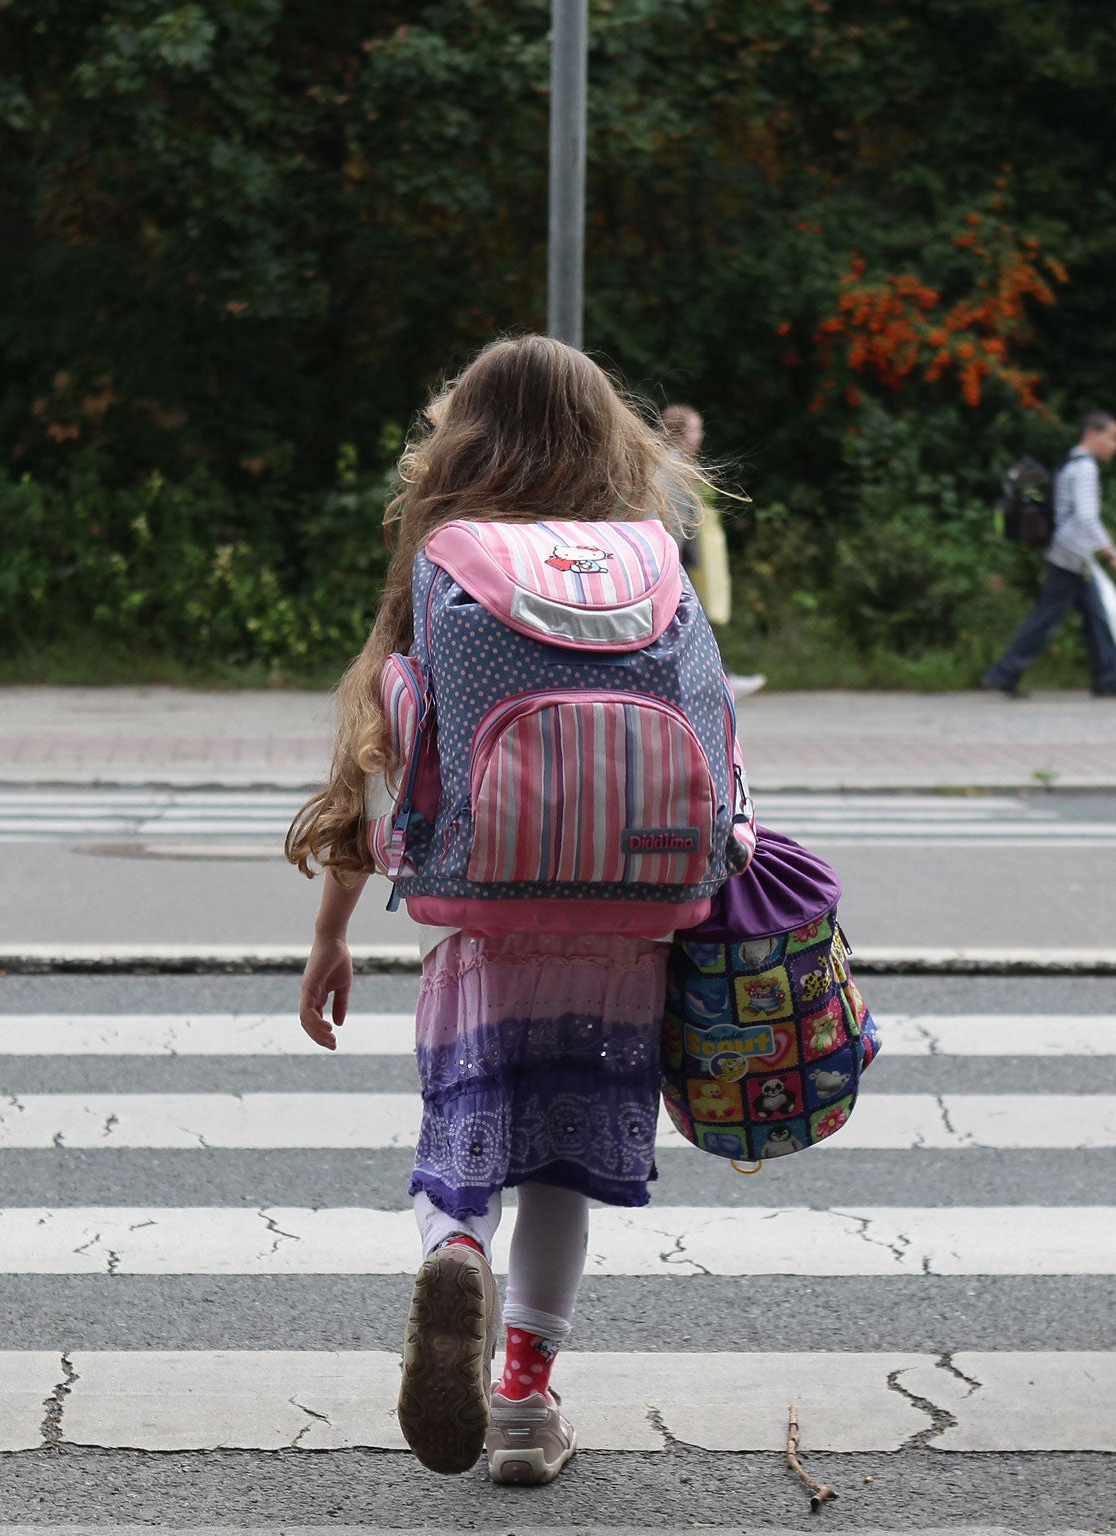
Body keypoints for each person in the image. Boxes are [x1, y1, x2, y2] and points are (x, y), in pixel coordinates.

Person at [285, 336, 706, 1487]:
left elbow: (381, 766)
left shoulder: (445, 567)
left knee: (463, 1140)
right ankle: (523, 1399)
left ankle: (455, 1247)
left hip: (482, 923)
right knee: (565, 1166)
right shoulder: (650, 561)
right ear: (608, 443)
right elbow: (716, 752)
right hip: (627, 927)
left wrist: (330, 937)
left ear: (456, 440)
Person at [983, 411, 1116, 699]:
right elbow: (1087, 517)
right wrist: (1112, 553)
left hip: (1071, 554)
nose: (1115, 446)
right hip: (1069, 555)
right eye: (1112, 438)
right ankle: (1004, 673)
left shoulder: (1071, 462)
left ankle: (1108, 679)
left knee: (1096, 616)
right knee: (1048, 618)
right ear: (1092, 434)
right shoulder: (1085, 468)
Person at [659, 403, 765, 699]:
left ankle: (718, 677)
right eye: (696, 429)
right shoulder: (674, 466)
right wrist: (679, 562)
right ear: (680, 433)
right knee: (691, 621)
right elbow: (674, 520)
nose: (700, 436)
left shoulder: (667, 462)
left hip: (670, 558)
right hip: (671, 559)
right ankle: (720, 680)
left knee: (688, 622)